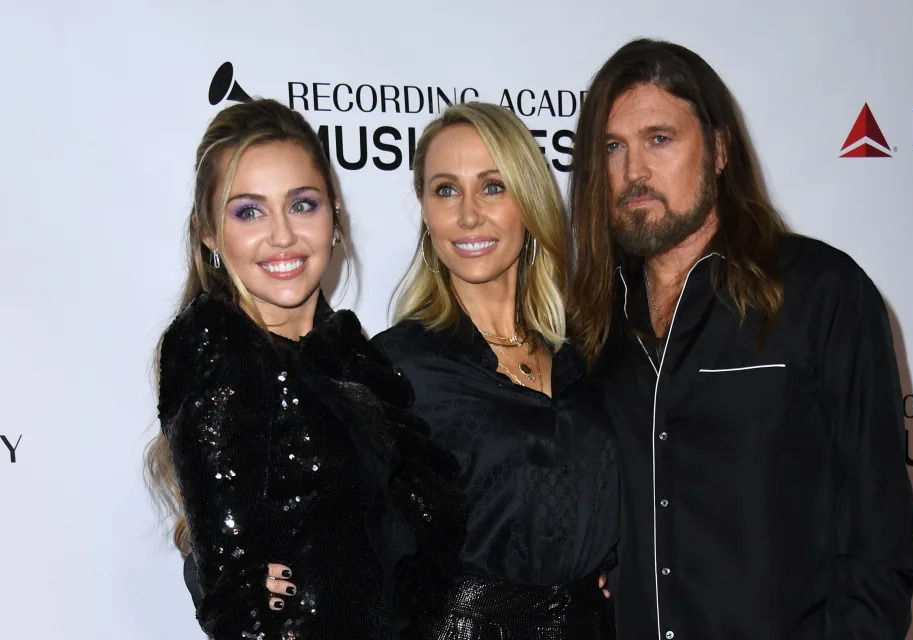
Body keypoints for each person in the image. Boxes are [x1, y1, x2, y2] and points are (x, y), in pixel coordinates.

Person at [567, 38, 913, 639]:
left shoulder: (820, 292)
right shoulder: (591, 325)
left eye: (660, 139)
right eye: (612, 148)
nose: (634, 174)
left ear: (720, 147)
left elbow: (877, 543)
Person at [145, 98, 462, 640]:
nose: (282, 236)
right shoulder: (217, 348)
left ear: (334, 214)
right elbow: (237, 598)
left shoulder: (352, 356)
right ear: (207, 233)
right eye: (248, 211)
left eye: (302, 204)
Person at [369, 102, 620, 638]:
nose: (467, 215)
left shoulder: (591, 351)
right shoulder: (396, 368)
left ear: (527, 200)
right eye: (445, 190)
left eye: (492, 186)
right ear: (423, 209)